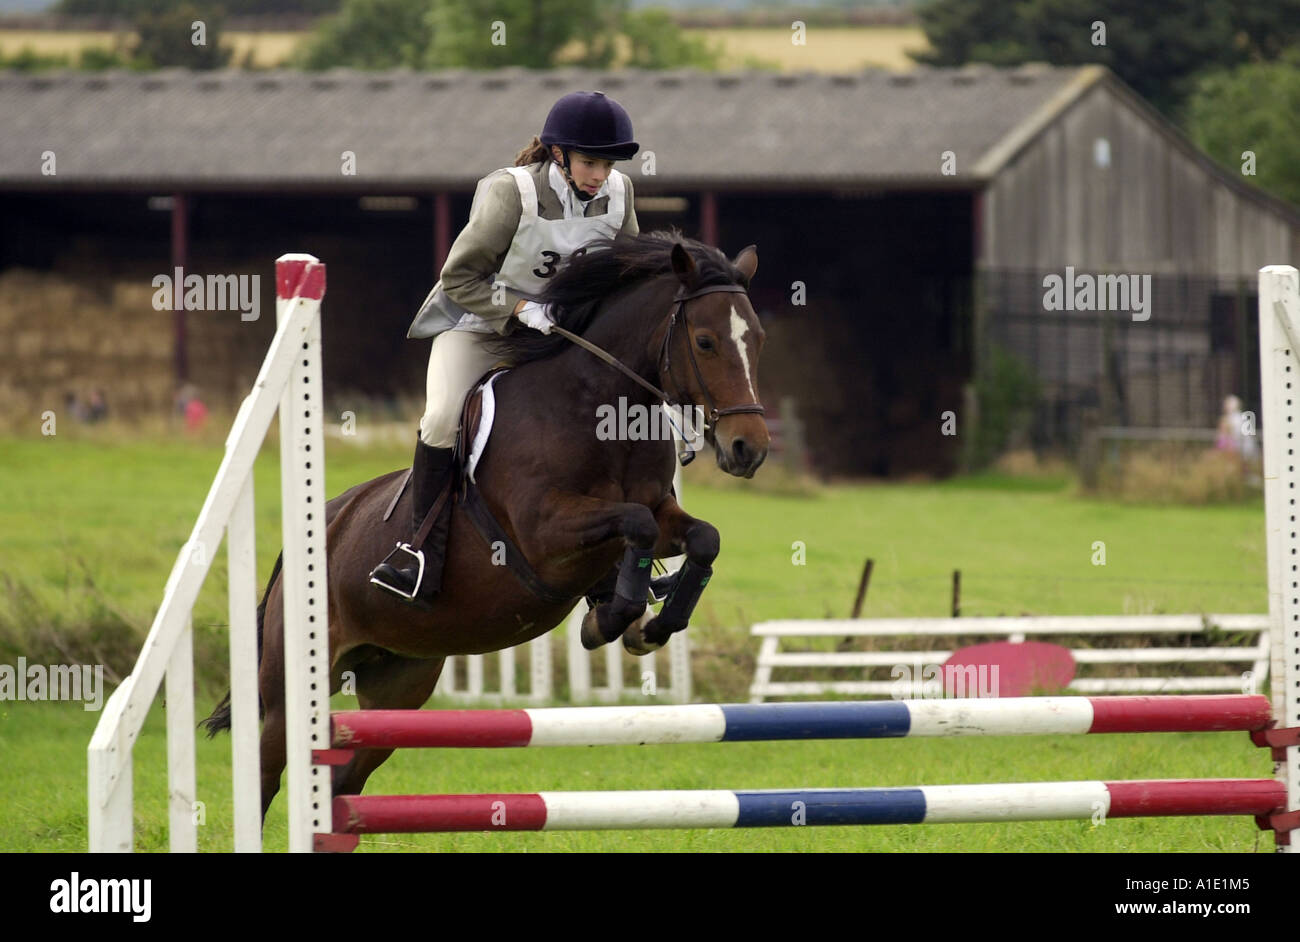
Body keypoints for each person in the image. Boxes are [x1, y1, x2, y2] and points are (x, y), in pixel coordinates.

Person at [370, 90, 641, 606]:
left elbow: (626, 274)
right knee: (443, 418)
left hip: (556, 335)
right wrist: (520, 309)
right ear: (558, 154)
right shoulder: (510, 193)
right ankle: (418, 552)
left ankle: (621, 571)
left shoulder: (620, 195)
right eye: (589, 162)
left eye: (607, 163)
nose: (599, 175)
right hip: (479, 326)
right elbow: (458, 278)